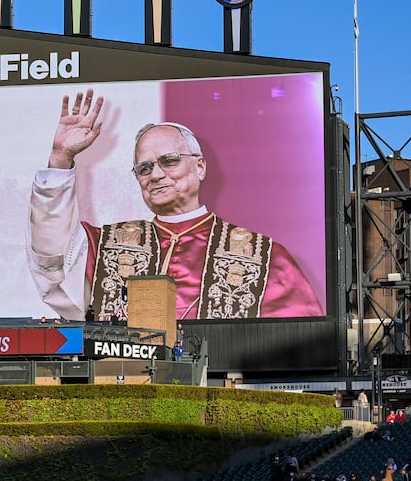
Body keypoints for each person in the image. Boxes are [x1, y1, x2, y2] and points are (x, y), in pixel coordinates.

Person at [27, 90, 323, 322]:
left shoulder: (265, 256)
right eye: (144, 168)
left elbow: (297, 341)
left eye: (169, 161)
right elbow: (52, 259)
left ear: (200, 167)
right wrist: (60, 158)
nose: (155, 174)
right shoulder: (106, 245)